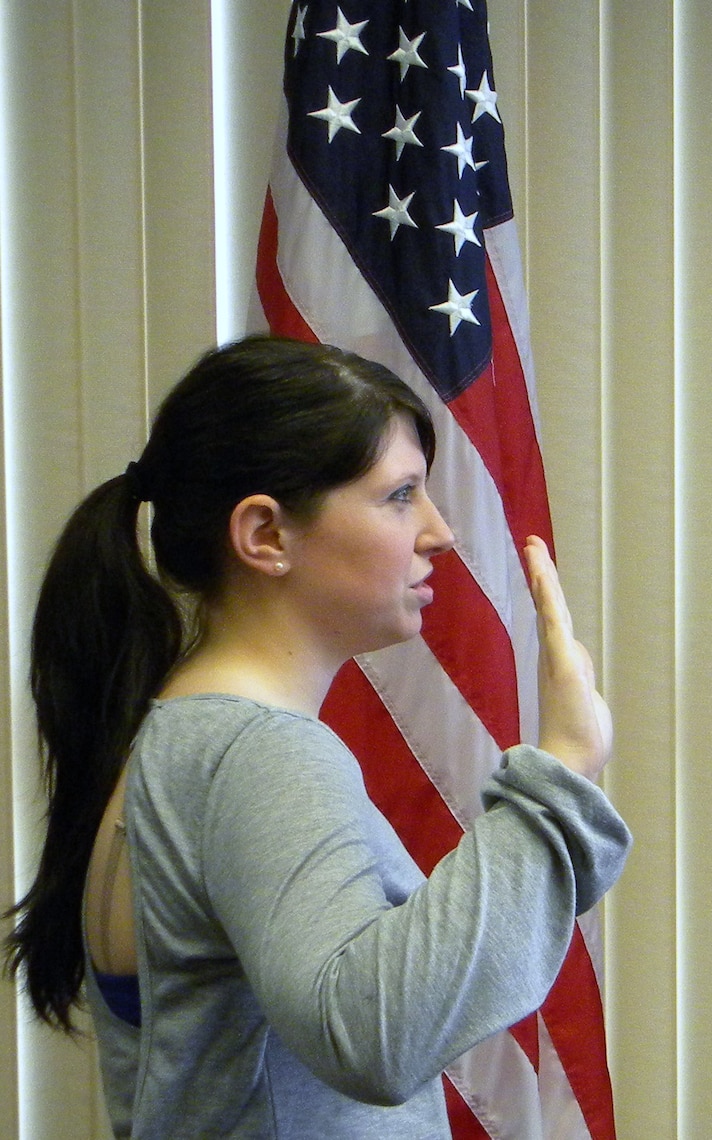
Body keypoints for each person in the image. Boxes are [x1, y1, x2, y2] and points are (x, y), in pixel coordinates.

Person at [5, 336, 630, 1136]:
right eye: (400, 496)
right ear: (265, 535)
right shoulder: (256, 751)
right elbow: (373, 1034)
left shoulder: (188, 738)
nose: (437, 532)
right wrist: (565, 766)